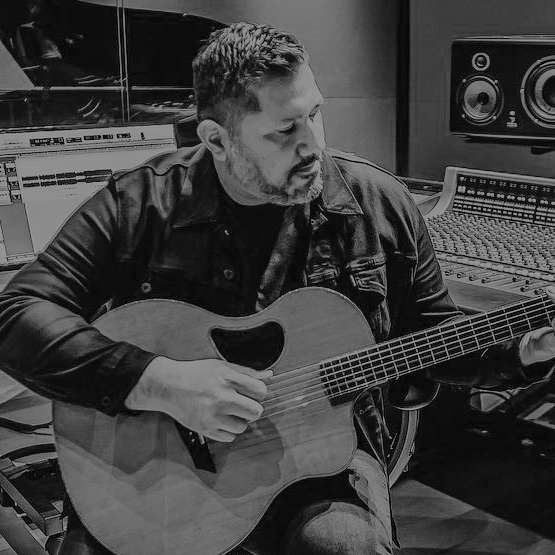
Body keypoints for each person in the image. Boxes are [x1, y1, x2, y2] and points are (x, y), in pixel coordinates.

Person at [0, 22, 554, 555]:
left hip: (323, 457)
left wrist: (523, 349)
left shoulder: (378, 204)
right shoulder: (141, 204)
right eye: (285, 130)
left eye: (315, 115)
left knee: (343, 547)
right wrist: (159, 382)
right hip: (155, 470)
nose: (313, 146)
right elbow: (16, 313)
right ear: (216, 139)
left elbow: (434, 337)